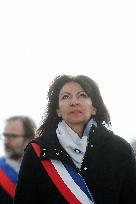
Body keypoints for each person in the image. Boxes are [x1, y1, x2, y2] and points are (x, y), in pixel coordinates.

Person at [14, 75, 136, 204]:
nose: (74, 102)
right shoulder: (37, 151)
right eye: (65, 97)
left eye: (82, 95)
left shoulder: (120, 149)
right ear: (58, 110)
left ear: (94, 108)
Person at [0, 116, 37, 204]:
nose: (6, 142)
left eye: (13, 136)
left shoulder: (42, 170)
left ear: (29, 139)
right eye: (5, 136)